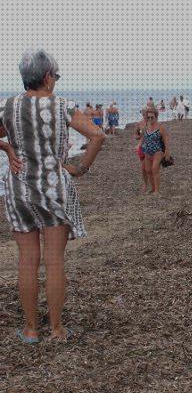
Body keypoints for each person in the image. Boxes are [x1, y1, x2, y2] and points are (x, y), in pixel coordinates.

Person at [0, 49, 105, 343]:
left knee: (27, 259)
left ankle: (31, 329)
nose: (56, 81)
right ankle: (57, 329)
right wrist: (80, 168)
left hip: (18, 187)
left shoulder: (8, 106)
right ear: (47, 77)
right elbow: (98, 136)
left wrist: (9, 150)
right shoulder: (62, 106)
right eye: (55, 76)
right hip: (53, 187)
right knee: (54, 260)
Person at [139, 106, 171, 194]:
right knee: (148, 170)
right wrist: (139, 145)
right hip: (147, 150)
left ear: (156, 117)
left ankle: (157, 190)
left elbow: (166, 139)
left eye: (152, 117)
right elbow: (141, 137)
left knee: (155, 169)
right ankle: (152, 188)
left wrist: (167, 152)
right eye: (148, 117)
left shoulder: (160, 127)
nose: (150, 119)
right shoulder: (145, 126)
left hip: (158, 150)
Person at [133, 109, 149, 192]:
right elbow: (135, 135)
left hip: (152, 147)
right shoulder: (139, 124)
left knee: (152, 167)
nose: (145, 115)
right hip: (142, 147)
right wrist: (139, 137)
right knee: (143, 168)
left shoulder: (153, 122)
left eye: (146, 113)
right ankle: (145, 184)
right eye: (143, 114)